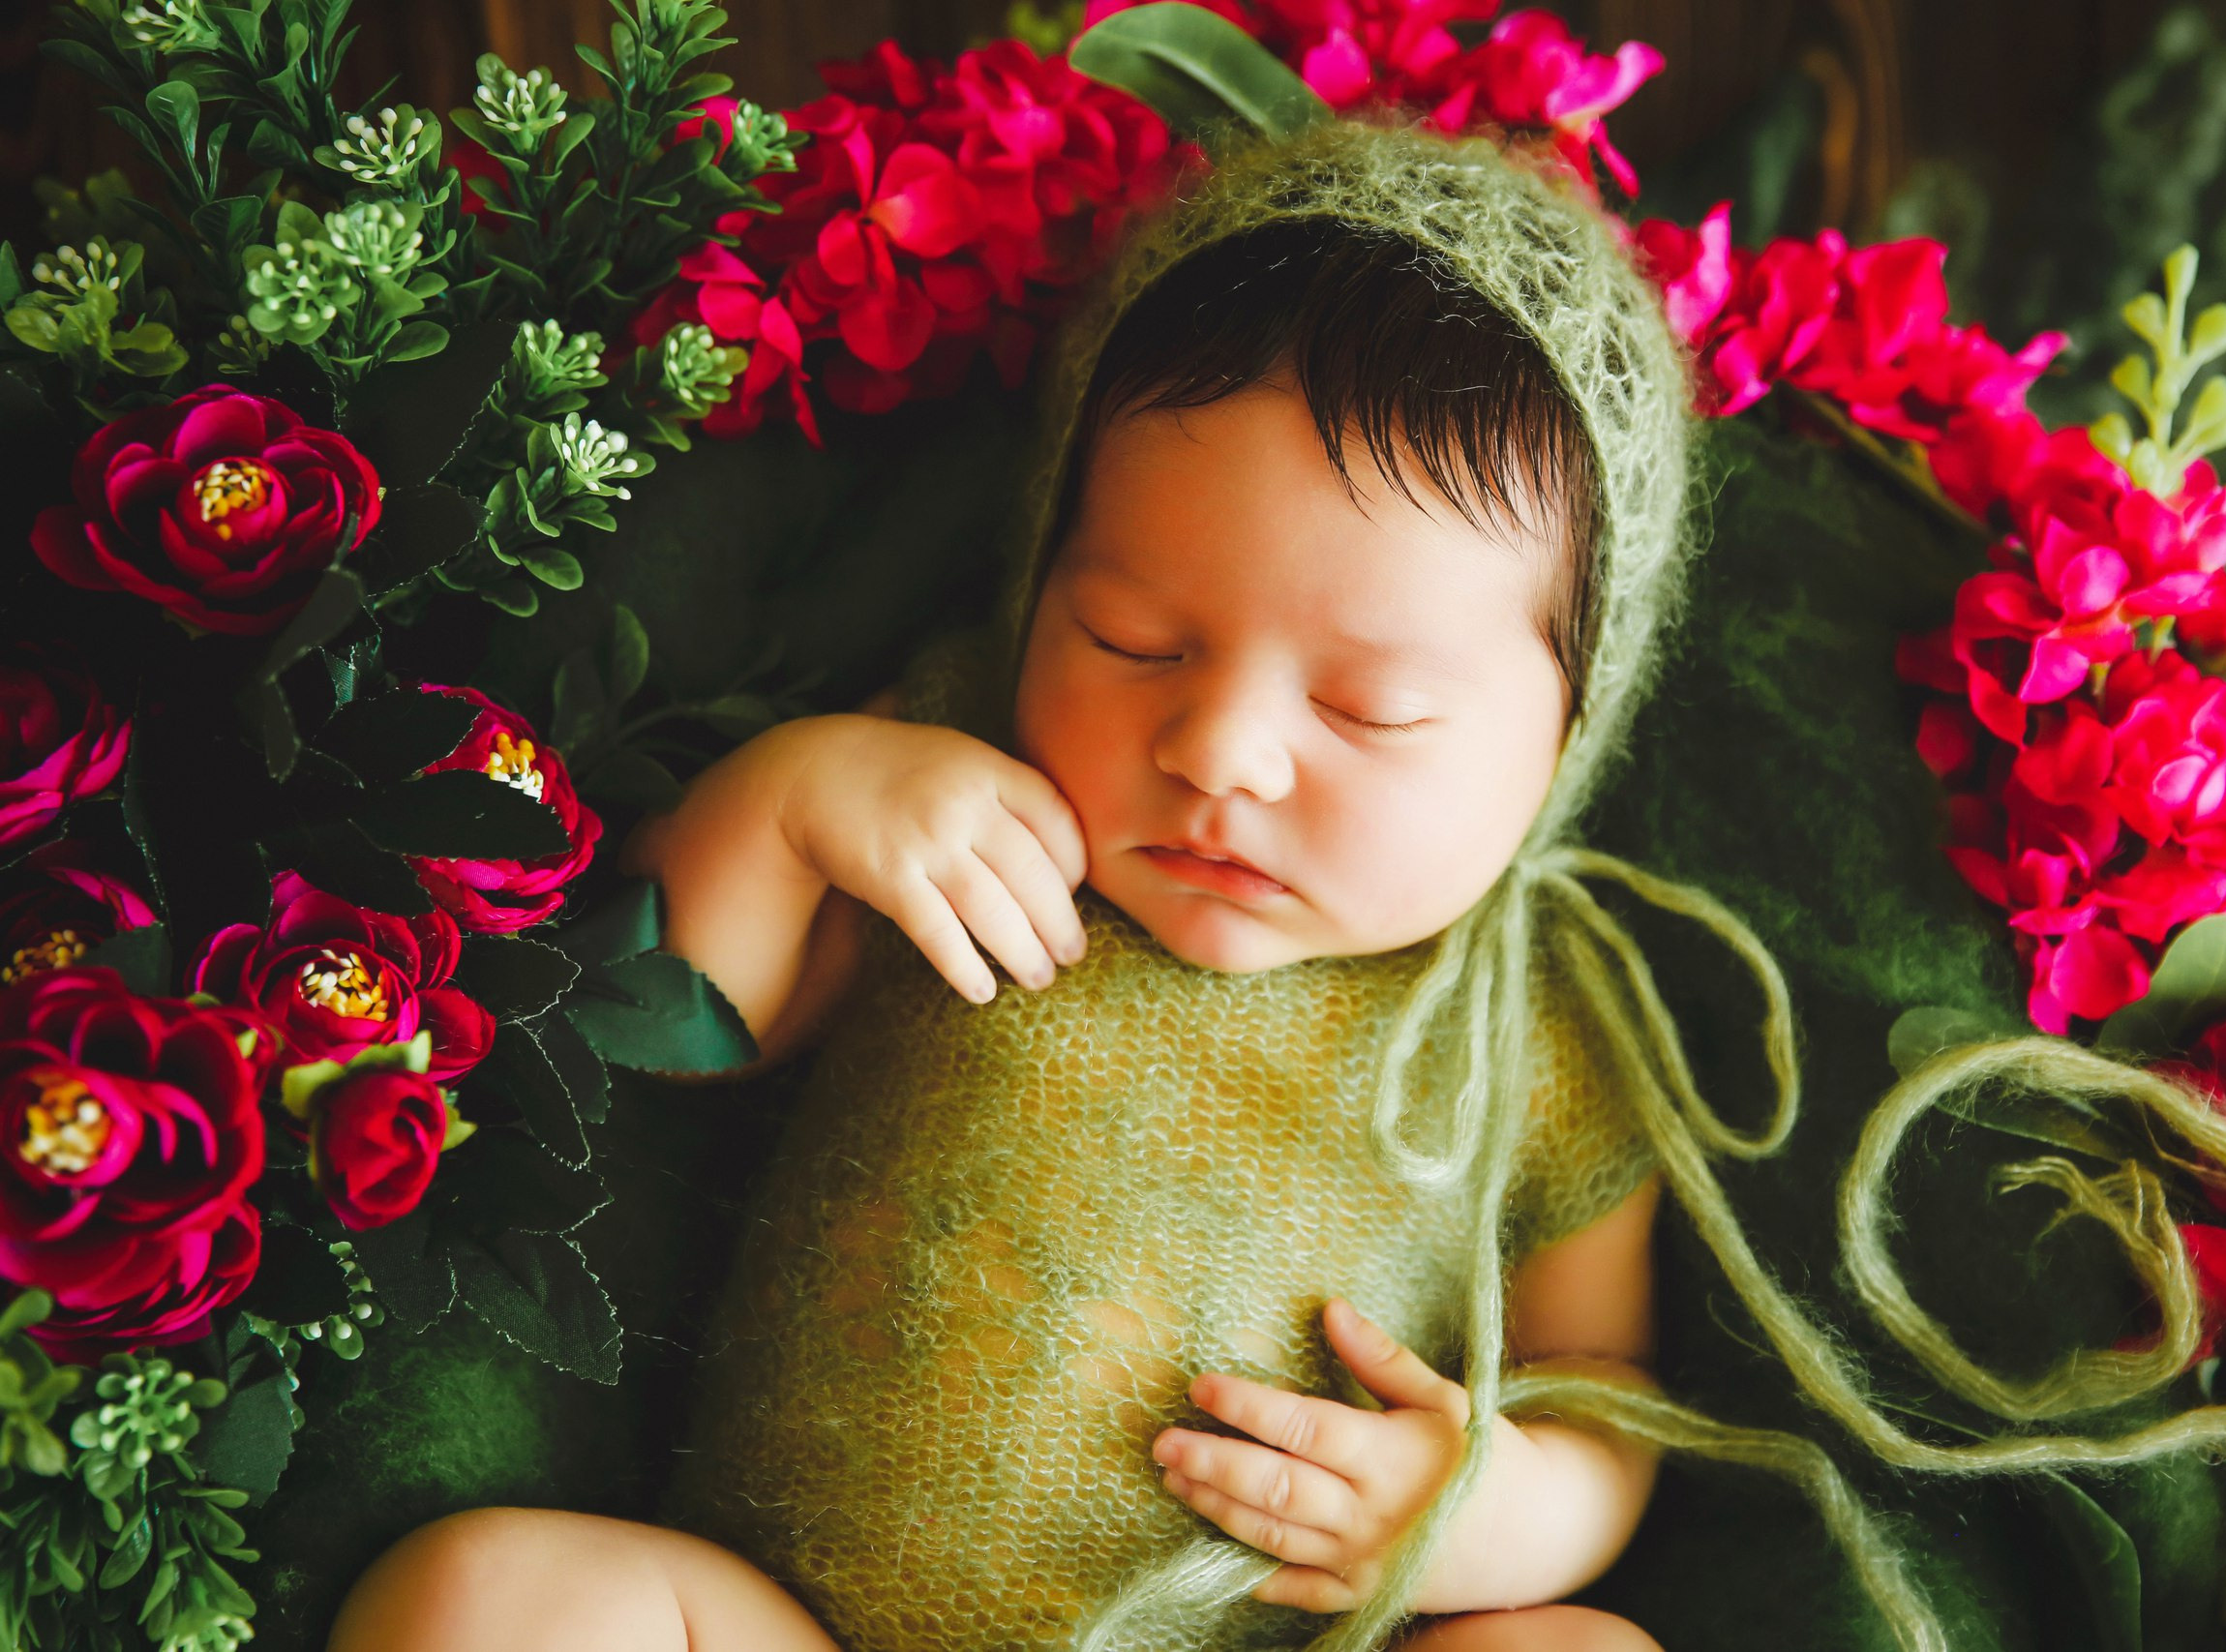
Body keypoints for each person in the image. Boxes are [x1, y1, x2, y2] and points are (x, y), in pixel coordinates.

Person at [327, 114, 1742, 1652]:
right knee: (480, 1603)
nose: (1219, 751)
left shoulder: (1536, 1035)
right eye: (1135, 640)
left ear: (1566, 735)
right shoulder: (961, 806)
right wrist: (799, 805)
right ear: (1039, 586)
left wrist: (1490, 1505)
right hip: (796, 1626)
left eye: (1368, 711)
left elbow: (1608, 1390)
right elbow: (650, 1019)